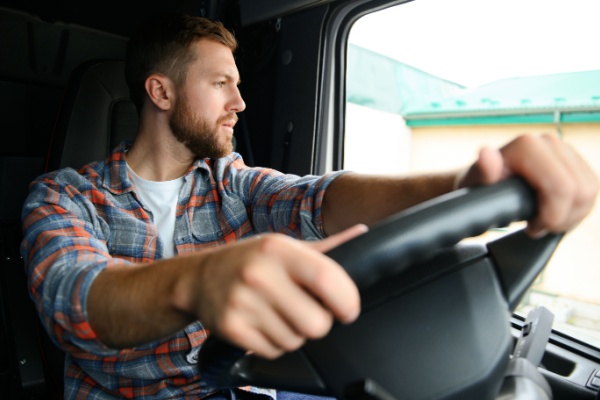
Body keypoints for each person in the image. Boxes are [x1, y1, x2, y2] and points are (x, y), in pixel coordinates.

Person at [20, 11, 598, 400]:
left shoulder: (234, 183)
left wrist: (463, 183)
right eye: (221, 83)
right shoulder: (64, 195)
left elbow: (315, 199)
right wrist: (197, 281)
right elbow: (75, 302)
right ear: (162, 92)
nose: (241, 102)